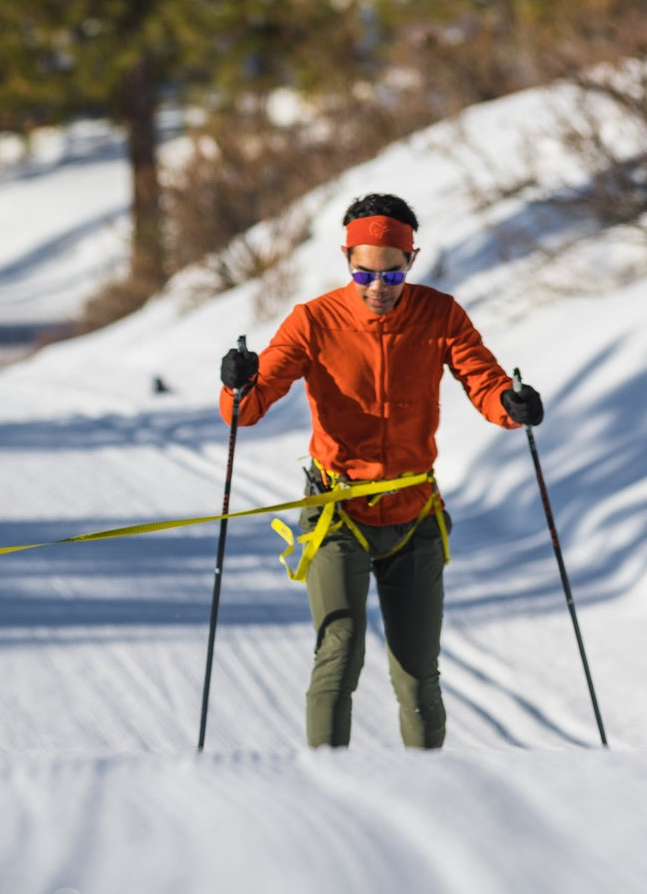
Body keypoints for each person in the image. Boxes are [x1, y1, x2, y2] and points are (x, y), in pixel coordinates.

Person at [218, 192, 543, 749]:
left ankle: (427, 788)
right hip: (337, 512)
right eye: (363, 273)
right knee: (340, 653)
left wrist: (513, 407)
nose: (377, 288)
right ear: (347, 259)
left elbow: (484, 383)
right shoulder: (313, 321)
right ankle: (329, 785)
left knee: (418, 675)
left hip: (415, 514)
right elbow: (245, 409)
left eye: (392, 276)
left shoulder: (439, 314)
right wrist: (237, 382)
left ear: (410, 261)